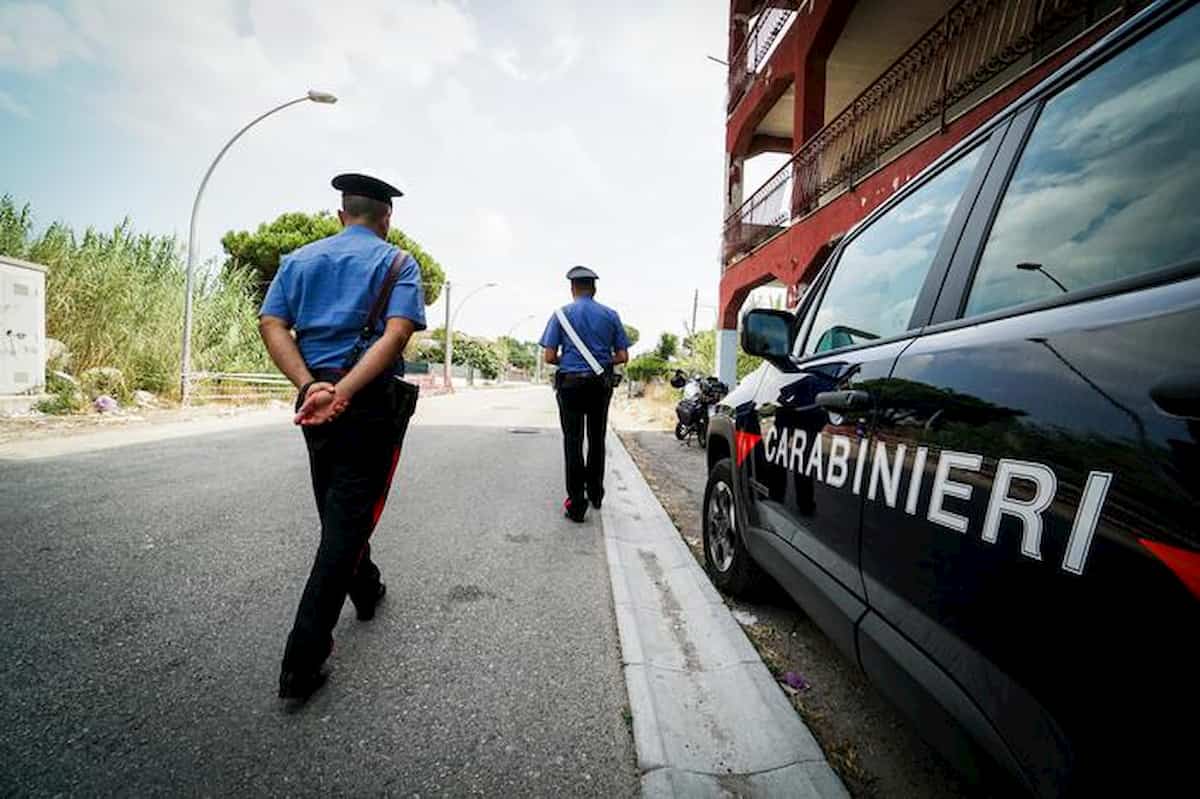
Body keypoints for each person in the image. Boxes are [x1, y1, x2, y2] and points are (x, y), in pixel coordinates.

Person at [258, 172, 426, 702]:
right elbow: (397, 333)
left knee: (339, 510)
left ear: (340, 214)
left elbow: (272, 324)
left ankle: (367, 584)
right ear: (387, 219)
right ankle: (302, 660)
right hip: (367, 403)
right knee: (345, 519)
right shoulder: (399, 263)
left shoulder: (298, 261)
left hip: (313, 401)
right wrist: (347, 391)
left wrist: (313, 386)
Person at [540, 266, 630, 522]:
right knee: (597, 438)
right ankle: (596, 494)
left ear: (572, 289)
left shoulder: (560, 315)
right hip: (600, 385)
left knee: (573, 441)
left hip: (569, 384)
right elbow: (623, 356)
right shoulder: (611, 315)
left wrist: (569, 359)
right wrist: (601, 362)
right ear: (595, 289)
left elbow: (548, 356)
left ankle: (576, 503)